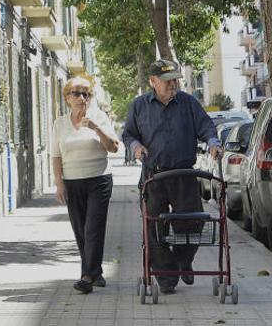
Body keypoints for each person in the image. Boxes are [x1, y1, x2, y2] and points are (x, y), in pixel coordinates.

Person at [122, 59, 222, 294]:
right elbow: (128, 134)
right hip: (153, 177)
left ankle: (181, 261)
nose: (173, 84)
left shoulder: (188, 103)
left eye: (176, 79)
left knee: (193, 224)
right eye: (168, 81)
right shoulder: (139, 106)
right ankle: (167, 276)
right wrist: (135, 147)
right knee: (155, 228)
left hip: (184, 175)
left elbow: (206, 126)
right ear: (153, 81)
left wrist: (213, 142)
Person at [51, 76, 120, 294]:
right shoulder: (60, 123)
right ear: (67, 98)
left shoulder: (99, 117)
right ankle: (95, 272)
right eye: (77, 94)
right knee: (80, 231)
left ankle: (87, 276)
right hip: (72, 183)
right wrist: (59, 184)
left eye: (86, 94)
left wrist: (96, 128)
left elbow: (114, 147)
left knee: (93, 229)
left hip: (99, 180)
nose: (82, 98)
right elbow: (55, 155)